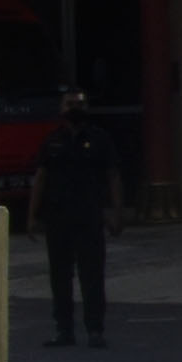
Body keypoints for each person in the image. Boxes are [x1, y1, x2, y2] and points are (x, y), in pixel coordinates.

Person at [32, 89, 118, 348]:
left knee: (92, 276)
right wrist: (32, 216)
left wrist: (115, 211)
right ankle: (64, 331)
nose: (75, 108)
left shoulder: (100, 139)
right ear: (61, 109)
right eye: (70, 104)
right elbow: (40, 179)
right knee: (60, 278)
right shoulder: (52, 142)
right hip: (58, 219)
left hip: (90, 217)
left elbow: (113, 175)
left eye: (80, 103)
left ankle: (95, 330)